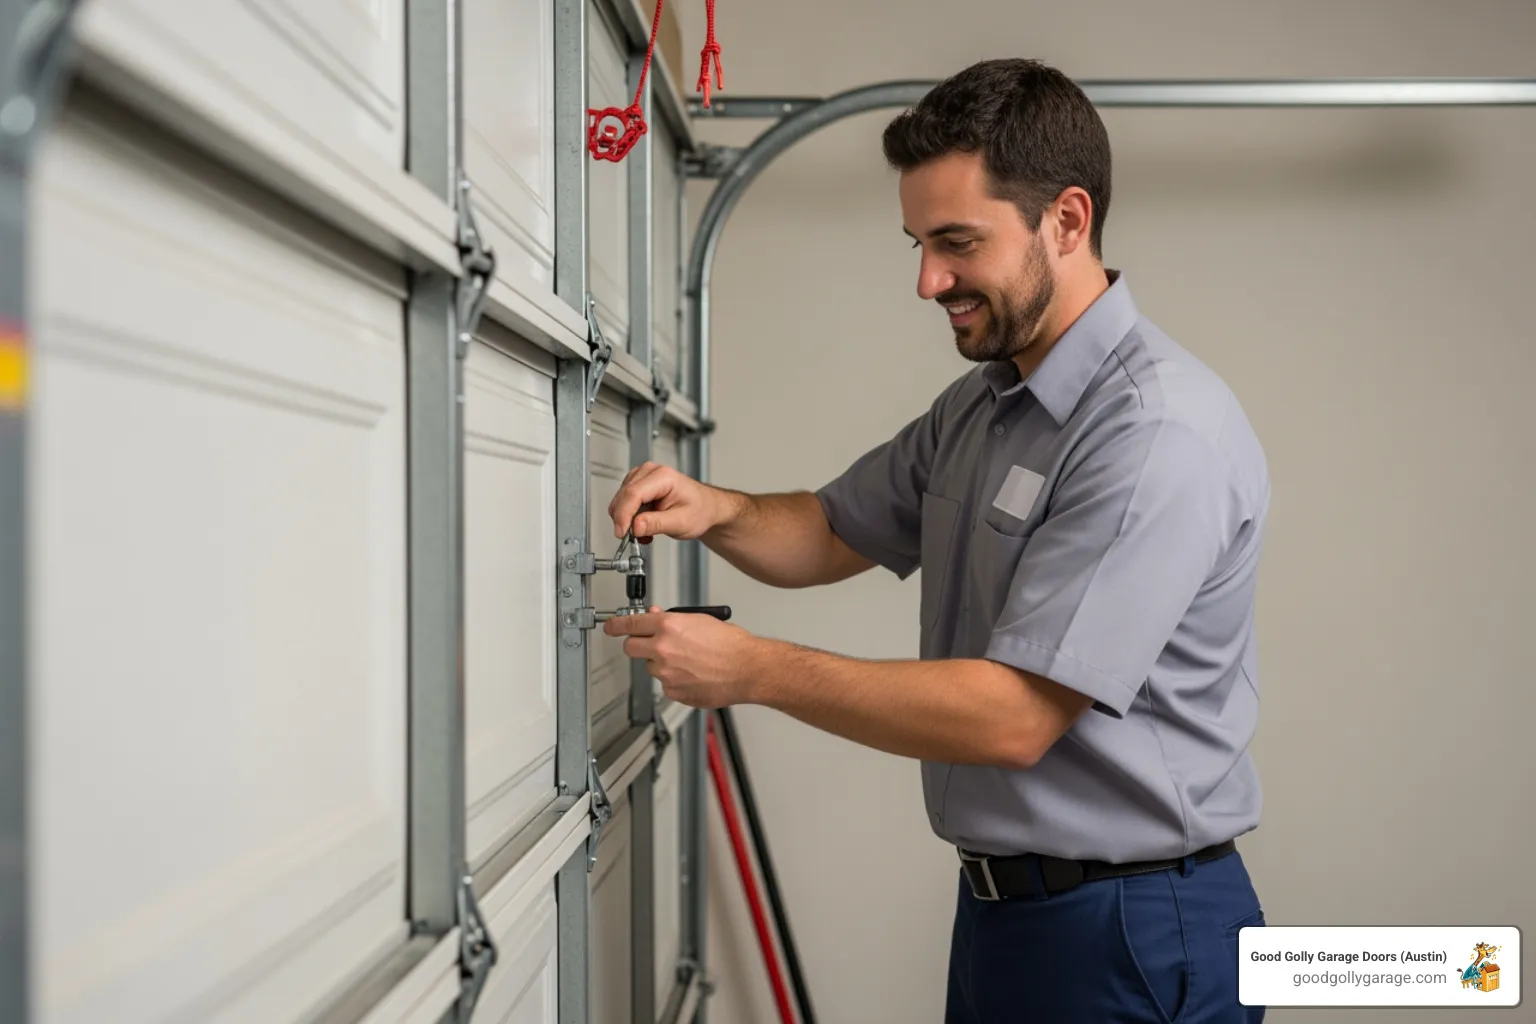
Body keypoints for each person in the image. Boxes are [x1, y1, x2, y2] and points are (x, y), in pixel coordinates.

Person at [604, 57, 1269, 1024]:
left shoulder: (1153, 431)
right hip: (1010, 918)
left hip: (1134, 927)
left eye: (957, 242)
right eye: (917, 242)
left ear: (1068, 221)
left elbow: (1013, 718)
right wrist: (717, 508)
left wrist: (750, 670)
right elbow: (832, 528)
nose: (928, 280)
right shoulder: (986, 402)